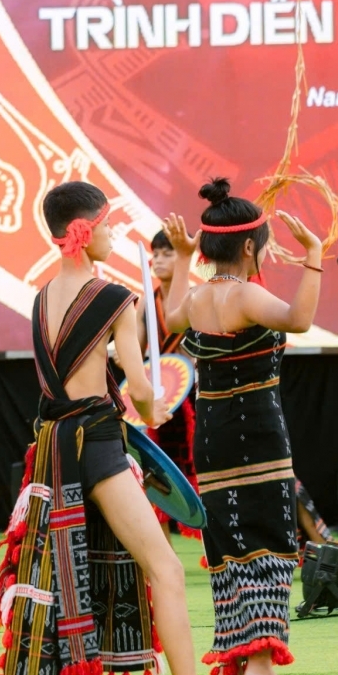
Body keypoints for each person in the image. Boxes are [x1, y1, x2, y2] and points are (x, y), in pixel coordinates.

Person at [0, 181, 252, 675]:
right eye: (107, 225)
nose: (113, 234)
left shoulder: (41, 298)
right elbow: (140, 391)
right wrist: (153, 404)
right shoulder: (116, 299)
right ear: (84, 232)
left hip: (54, 445)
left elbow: (68, 376)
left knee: (55, 570)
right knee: (167, 570)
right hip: (98, 444)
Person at [163, 177, 323, 675]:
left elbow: (169, 318)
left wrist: (182, 259)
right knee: (270, 536)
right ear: (250, 247)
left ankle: (231, 669)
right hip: (257, 431)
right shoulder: (246, 294)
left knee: (229, 543)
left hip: (213, 436)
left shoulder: (196, 297)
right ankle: (261, 663)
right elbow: (299, 319)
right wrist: (314, 256)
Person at [138, 231, 201, 542]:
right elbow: (134, 352)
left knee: (202, 474)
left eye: (168, 253)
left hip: (194, 398)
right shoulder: (145, 303)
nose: (159, 260)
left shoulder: (198, 297)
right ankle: (164, 553)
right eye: (157, 253)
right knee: (155, 475)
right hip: (160, 401)